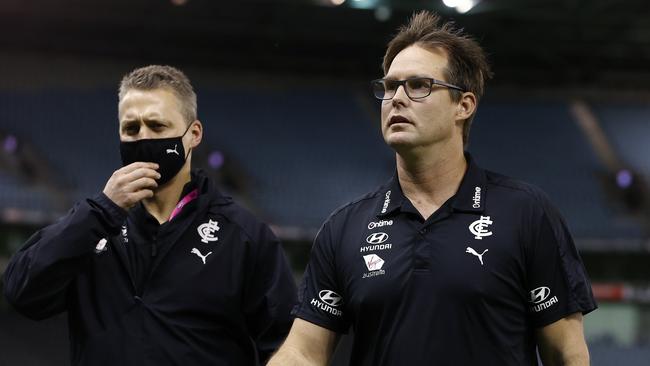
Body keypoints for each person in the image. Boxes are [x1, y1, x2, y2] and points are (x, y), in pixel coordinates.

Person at [269, 10, 596, 366]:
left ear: (464, 105)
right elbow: (303, 351)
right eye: (390, 86)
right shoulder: (345, 228)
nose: (396, 98)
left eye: (419, 86)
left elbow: (566, 353)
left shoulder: (526, 213)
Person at [3, 65, 297, 365]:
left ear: (193, 134)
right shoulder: (91, 226)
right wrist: (102, 211)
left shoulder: (243, 234)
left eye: (157, 127)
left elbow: (290, 345)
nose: (143, 138)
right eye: (131, 128)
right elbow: (22, 293)